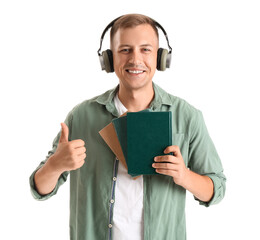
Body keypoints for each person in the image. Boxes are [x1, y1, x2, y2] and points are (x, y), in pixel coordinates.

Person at [30, 14, 226, 240]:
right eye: (125, 50)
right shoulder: (81, 116)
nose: (135, 59)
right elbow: (40, 189)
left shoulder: (187, 116)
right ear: (109, 59)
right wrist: (55, 165)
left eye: (145, 49)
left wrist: (184, 175)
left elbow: (217, 189)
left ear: (161, 57)